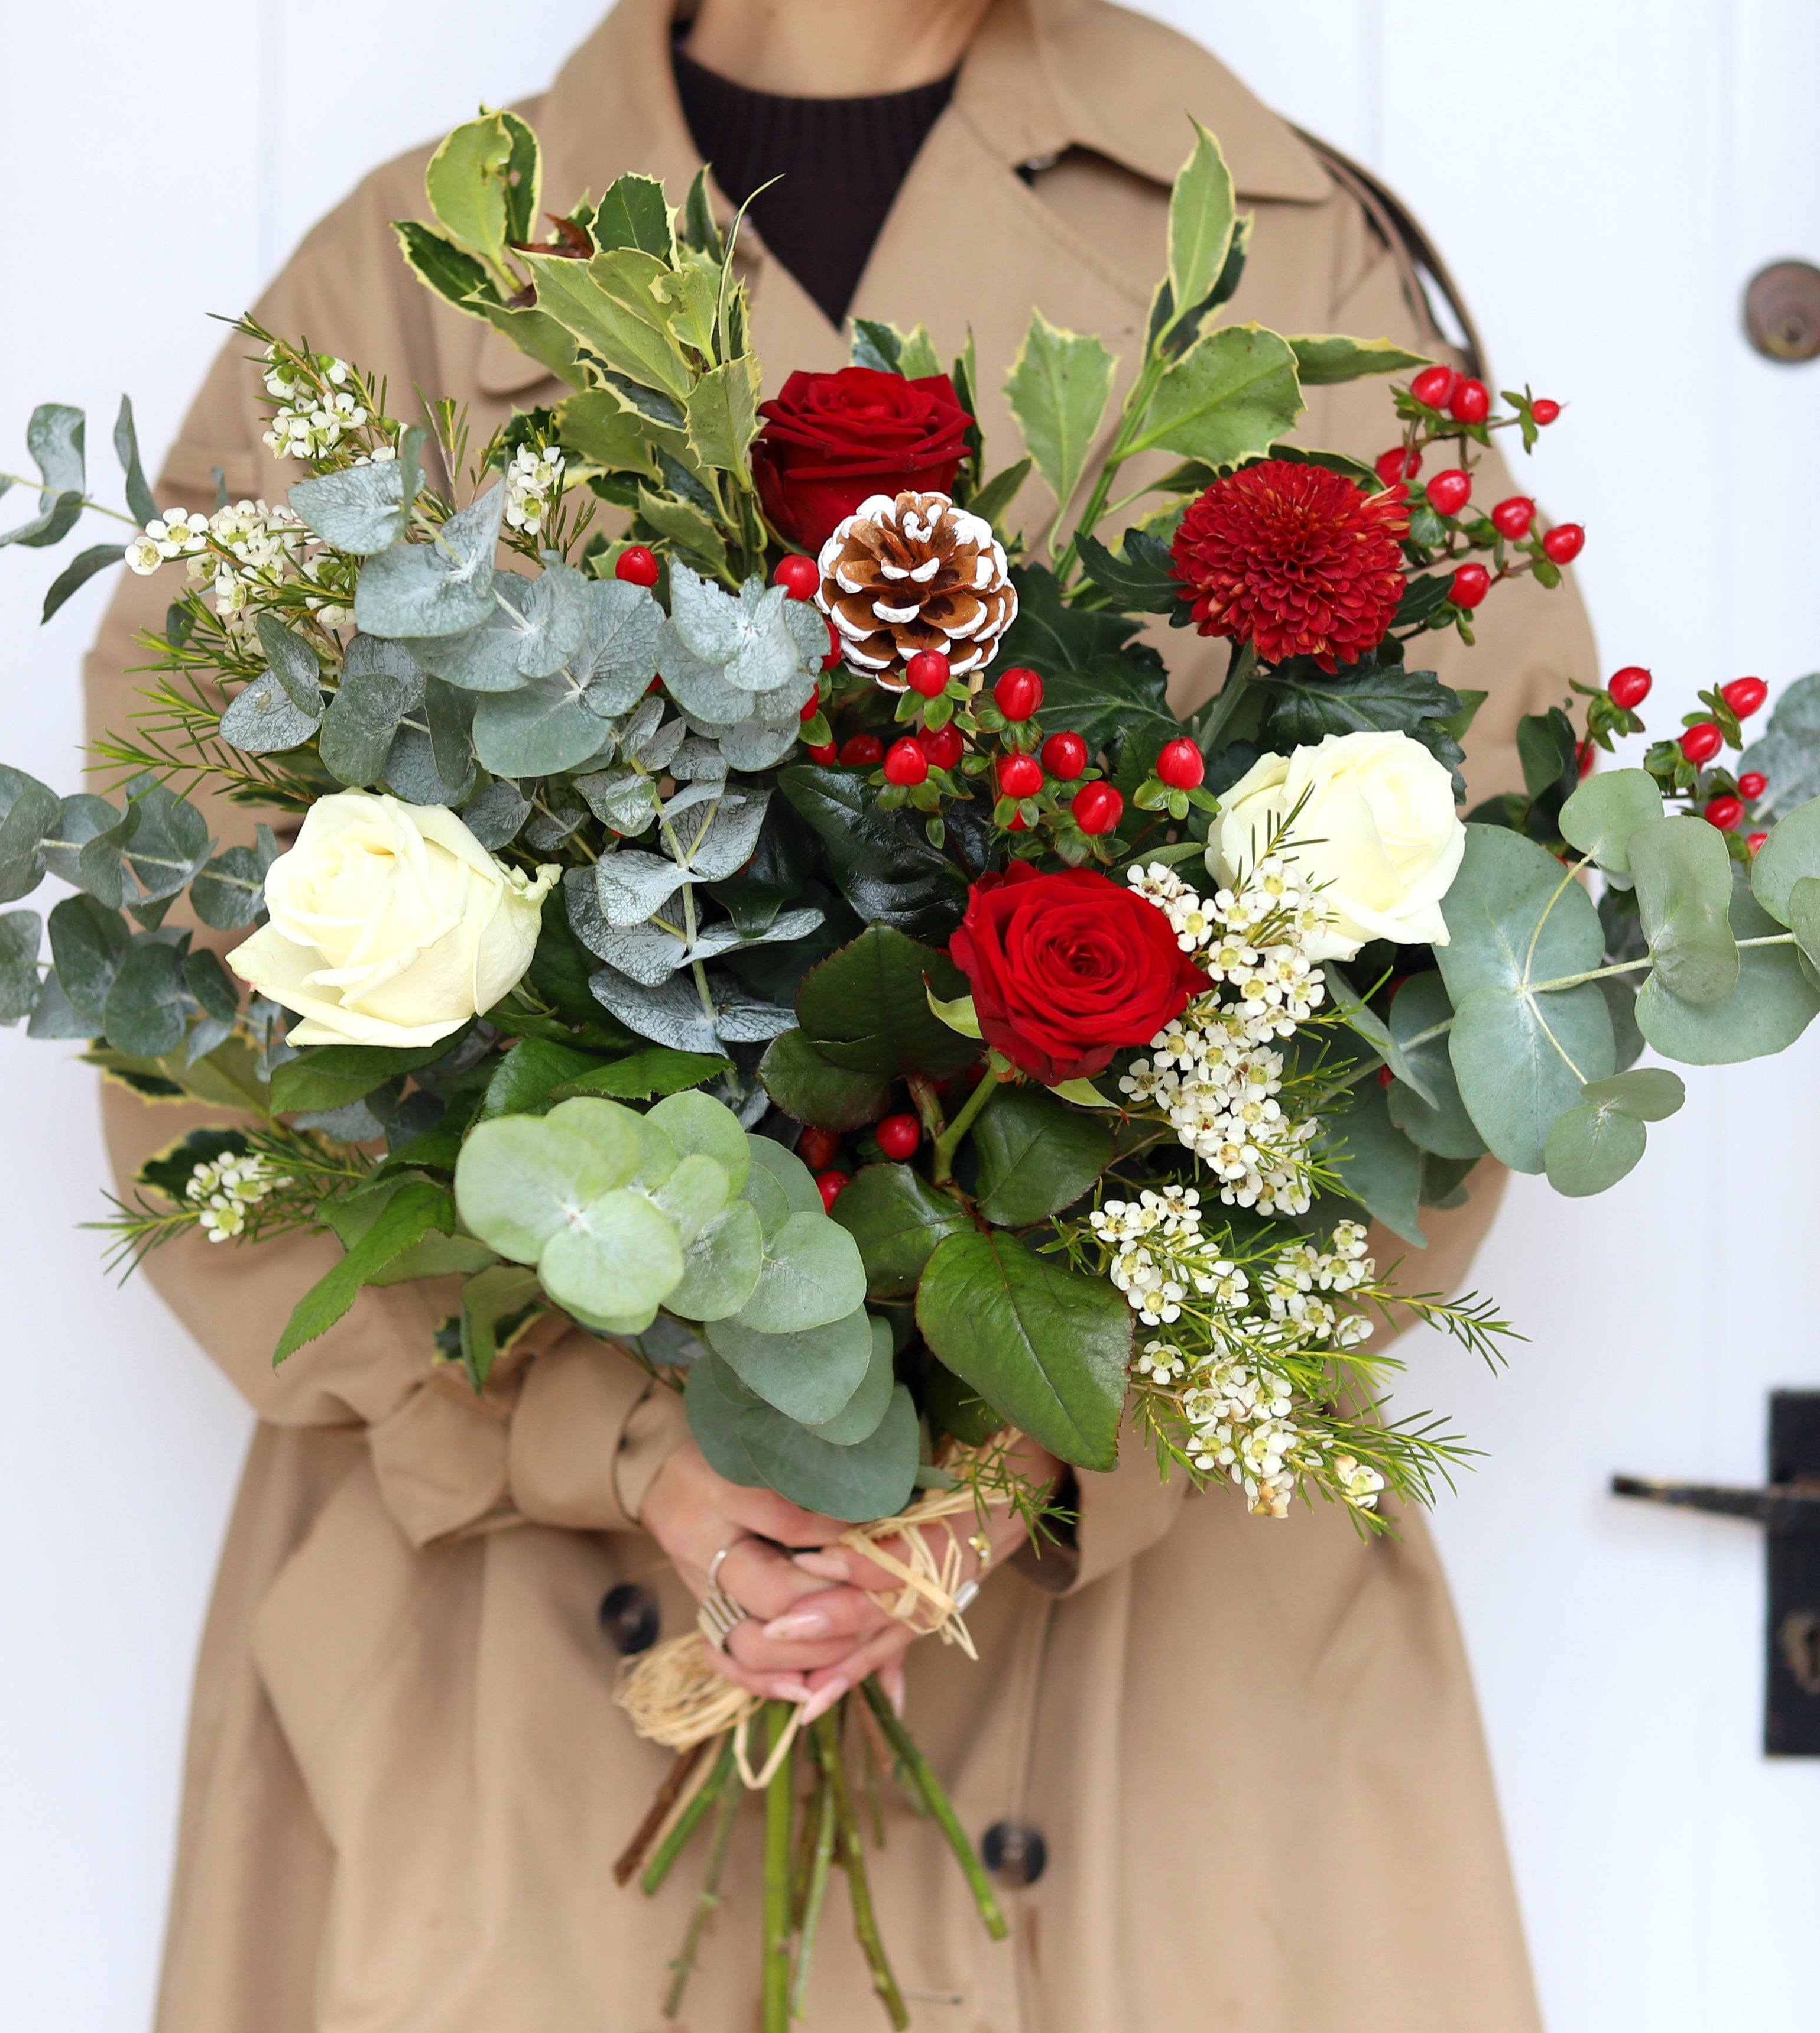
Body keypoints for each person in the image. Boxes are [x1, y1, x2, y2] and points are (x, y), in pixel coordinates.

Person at [87, 2, 1595, 2026]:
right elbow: (198, 977)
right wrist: (619, 1443)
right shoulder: (428, 273)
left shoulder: (1274, 240)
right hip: (532, 1658)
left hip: (1162, 1674)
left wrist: (1028, 1466)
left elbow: (1486, 933)